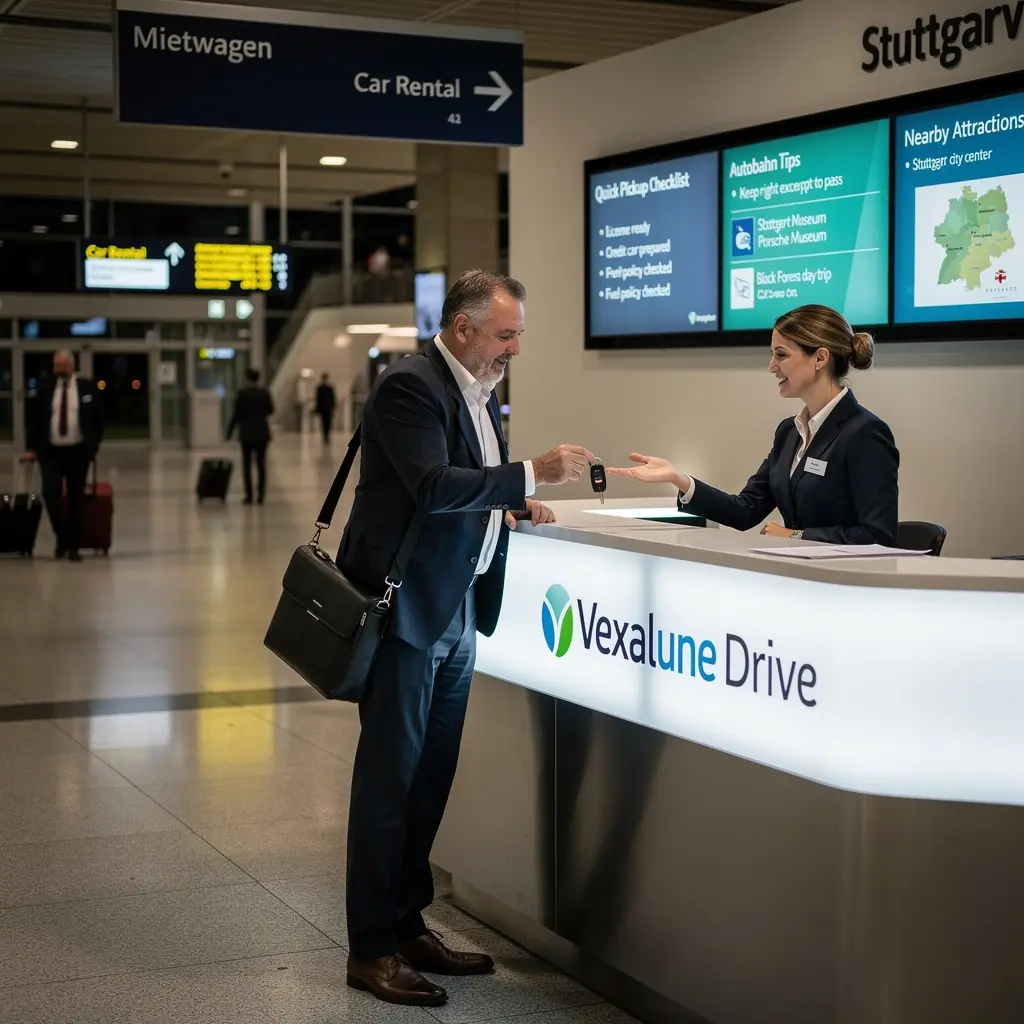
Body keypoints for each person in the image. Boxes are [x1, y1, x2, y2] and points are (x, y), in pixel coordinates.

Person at [337, 269, 594, 1007]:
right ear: (462, 329)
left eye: (517, 335)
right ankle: (370, 949)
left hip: (455, 608)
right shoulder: (410, 385)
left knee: (429, 778)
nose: (514, 347)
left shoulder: (476, 390)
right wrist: (526, 474)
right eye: (505, 334)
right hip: (407, 612)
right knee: (390, 779)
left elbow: (466, 489)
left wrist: (510, 508)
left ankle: (407, 923)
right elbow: (431, 485)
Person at [610, 304, 899, 545]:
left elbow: (878, 535)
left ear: (820, 358)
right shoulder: (789, 432)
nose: (771, 366)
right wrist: (679, 479)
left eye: (781, 354)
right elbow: (745, 510)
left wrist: (796, 535)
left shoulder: (864, 433)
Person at [22, 350, 104, 561]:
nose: (60, 370)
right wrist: (32, 447)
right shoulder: (45, 388)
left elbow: (98, 418)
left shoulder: (87, 387)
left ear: (72, 365)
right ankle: (62, 536)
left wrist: (93, 446)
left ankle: (73, 547)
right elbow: (34, 419)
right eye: (57, 366)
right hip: (51, 452)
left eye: (64, 366)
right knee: (51, 496)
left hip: (78, 451)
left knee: (76, 499)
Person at [226, 368, 274, 505]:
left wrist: (229, 432)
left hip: (246, 433)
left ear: (247, 378)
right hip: (262, 433)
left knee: (246, 465)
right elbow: (271, 410)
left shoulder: (242, 394)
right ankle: (261, 496)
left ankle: (249, 495)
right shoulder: (265, 393)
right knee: (261, 464)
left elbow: (237, 414)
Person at [314, 372, 336, 444]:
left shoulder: (329, 388)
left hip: (327, 408)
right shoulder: (320, 388)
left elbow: (333, 398)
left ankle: (327, 435)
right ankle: (325, 436)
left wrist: (333, 406)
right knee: (324, 422)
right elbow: (318, 399)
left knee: (328, 422)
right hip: (324, 408)